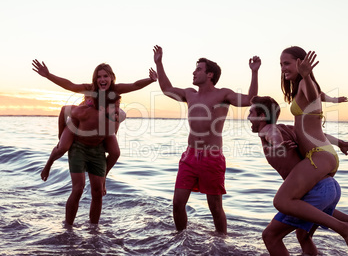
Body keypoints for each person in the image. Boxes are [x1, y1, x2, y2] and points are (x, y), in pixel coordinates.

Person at [247, 96, 348, 255]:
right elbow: (317, 135)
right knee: (303, 235)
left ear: (261, 116)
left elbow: (273, 136)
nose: (248, 117)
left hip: (315, 191)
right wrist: (340, 142)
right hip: (330, 187)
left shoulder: (266, 129)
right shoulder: (287, 128)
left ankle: (346, 228)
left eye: (251, 112)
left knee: (270, 236)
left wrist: (278, 145)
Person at [153, 45, 260, 234]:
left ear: (210, 74)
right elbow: (167, 89)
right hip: (190, 156)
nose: (194, 72)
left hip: (212, 157)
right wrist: (159, 62)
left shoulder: (222, 94)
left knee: (215, 208)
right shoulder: (189, 94)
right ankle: (181, 238)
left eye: (198, 69)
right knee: (177, 203)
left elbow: (250, 99)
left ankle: (221, 242)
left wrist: (254, 73)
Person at [272, 46, 348, 255]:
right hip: (323, 153)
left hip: (318, 157)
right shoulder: (301, 87)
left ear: (301, 62)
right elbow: (310, 129)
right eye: (280, 64)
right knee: (302, 228)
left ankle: (345, 228)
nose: (283, 68)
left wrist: (306, 76)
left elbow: (313, 96)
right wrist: (339, 142)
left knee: (282, 201)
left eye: (287, 63)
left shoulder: (305, 83)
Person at [32, 60, 157, 194]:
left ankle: (103, 177)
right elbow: (69, 85)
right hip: (79, 121)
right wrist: (48, 75)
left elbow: (135, 85)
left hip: (101, 125)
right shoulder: (89, 88)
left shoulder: (116, 89)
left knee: (115, 152)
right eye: (99, 76)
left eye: (105, 76)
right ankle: (48, 164)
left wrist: (151, 80)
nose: (102, 79)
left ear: (111, 78)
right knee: (62, 148)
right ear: (95, 79)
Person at [63, 94, 121, 225]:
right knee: (78, 189)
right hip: (78, 147)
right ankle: (68, 227)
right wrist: (61, 135)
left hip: (97, 149)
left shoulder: (113, 109)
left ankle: (94, 230)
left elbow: (112, 134)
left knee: (98, 191)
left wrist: (114, 118)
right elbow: (64, 112)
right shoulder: (83, 109)